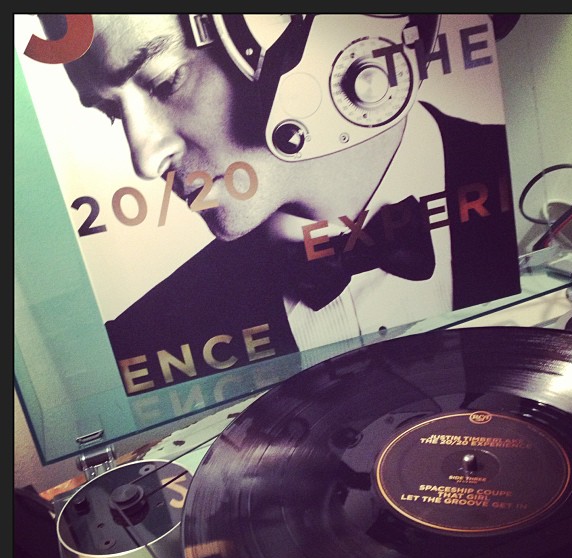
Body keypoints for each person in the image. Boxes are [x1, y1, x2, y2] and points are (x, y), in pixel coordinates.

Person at [35, 14, 520, 396]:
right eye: (112, 112)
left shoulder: (535, 198)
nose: (144, 158)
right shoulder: (142, 341)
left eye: (166, 81)